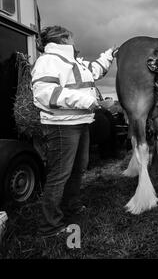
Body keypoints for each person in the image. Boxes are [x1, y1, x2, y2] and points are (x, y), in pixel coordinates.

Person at [31, 25, 115, 237]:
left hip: (80, 122)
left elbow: (94, 70)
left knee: (78, 169)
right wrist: (92, 102)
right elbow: (45, 93)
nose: (74, 42)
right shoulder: (47, 61)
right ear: (63, 39)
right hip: (61, 126)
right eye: (72, 38)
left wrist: (109, 54)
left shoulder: (73, 61)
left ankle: (70, 207)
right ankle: (50, 226)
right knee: (59, 175)